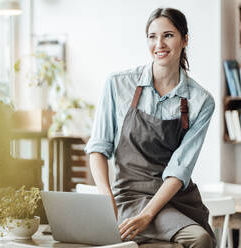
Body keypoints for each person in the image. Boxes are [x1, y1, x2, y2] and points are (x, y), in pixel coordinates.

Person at [85, 8, 216, 248]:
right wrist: (106, 200)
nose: (159, 44)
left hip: (175, 200)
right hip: (128, 197)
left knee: (200, 239)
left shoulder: (201, 101)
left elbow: (180, 169)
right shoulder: (117, 84)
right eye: (152, 36)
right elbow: (98, 149)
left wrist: (148, 215)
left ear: (185, 39)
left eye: (168, 35)